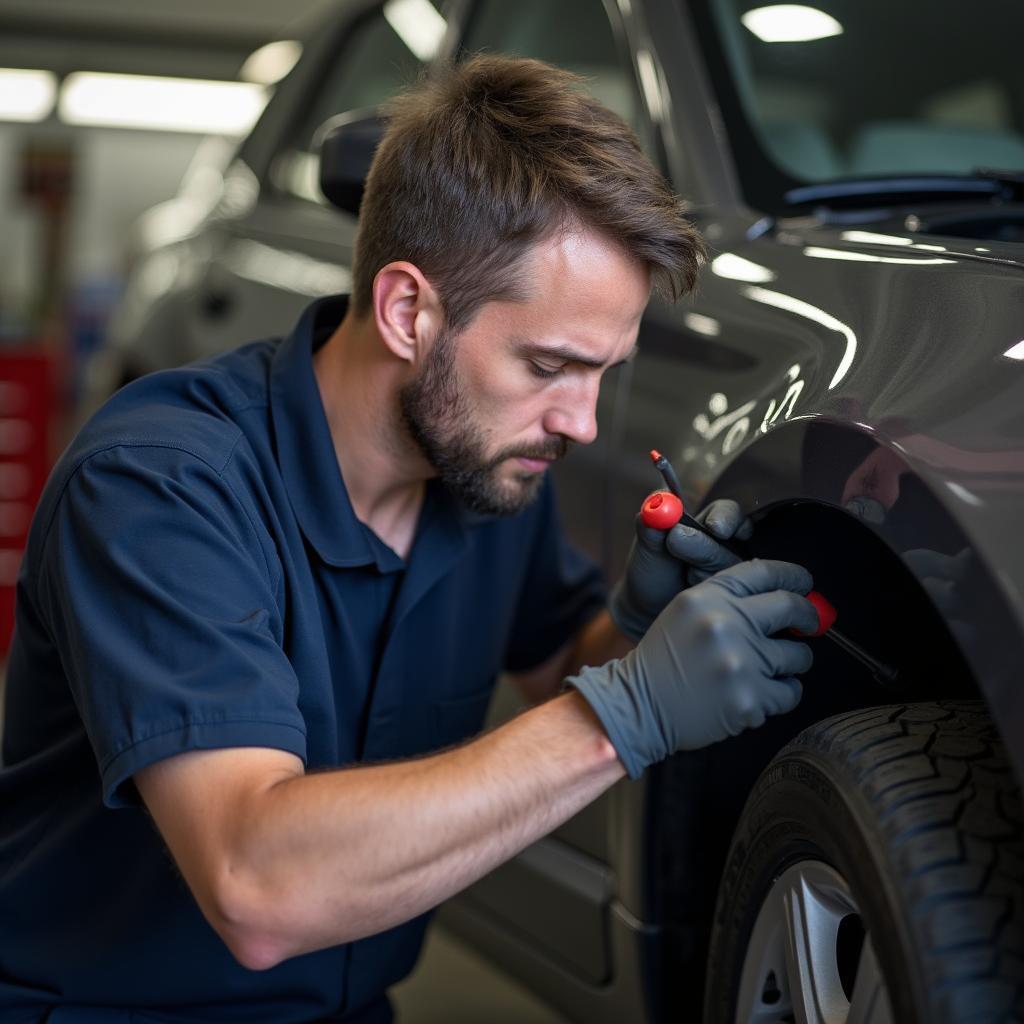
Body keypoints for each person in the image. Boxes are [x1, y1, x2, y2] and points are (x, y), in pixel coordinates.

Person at [0, 56, 817, 1023]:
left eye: (604, 372)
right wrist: (622, 716)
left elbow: (564, 661)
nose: (583, 423)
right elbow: (258, 886)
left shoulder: (483, 470)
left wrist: (642, 627)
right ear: (406, 310)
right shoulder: (161, 486)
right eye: (551, 364)